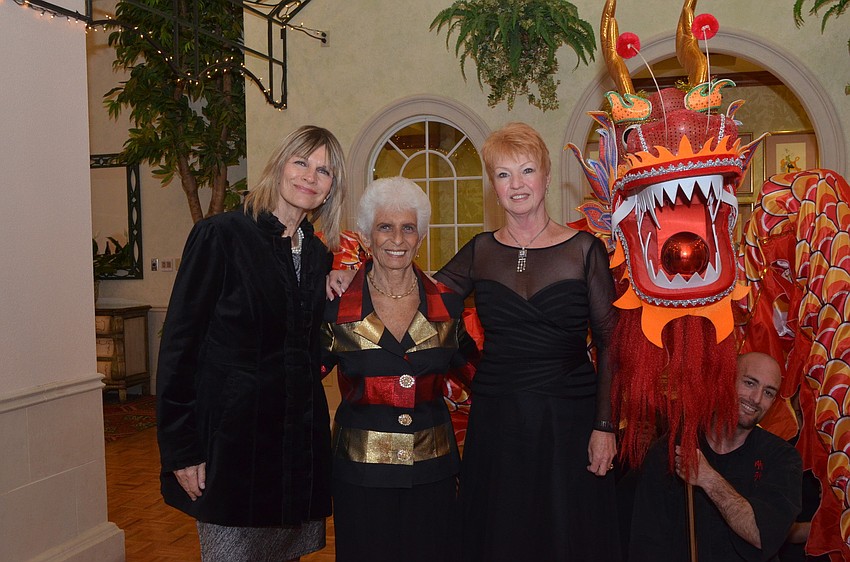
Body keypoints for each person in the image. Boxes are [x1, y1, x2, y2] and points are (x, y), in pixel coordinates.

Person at [327, 123, 619, 560]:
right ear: (493, 186)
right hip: (497, 419)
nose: (516, 185)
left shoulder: (584, 250)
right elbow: (415, 288)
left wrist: (605, 426)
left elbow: (613, 344)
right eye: (503, 175)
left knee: (567, 532)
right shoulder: (481, 251)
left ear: (545, 174)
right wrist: (353, 274)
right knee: (500, 534)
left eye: (526, 171)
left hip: (569, 418)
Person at [156, 125, 346, 561]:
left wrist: (345, 295)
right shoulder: (221, 235)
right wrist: (182, 451)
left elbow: (310, 348)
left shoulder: (317, 255)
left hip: (295, 452)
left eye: (324, 171)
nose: (310, 177)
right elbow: (179, 350)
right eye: (302, 162)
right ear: (279, 165)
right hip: (232, 448)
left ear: (331, 188)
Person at [321, 176, 478, 562]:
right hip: (359, 476)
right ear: (366, 236)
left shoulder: (448, 305)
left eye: (409, 228)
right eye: (385, 227)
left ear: (421, 237)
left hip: (434, 474)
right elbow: (295, 380)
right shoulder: (336, 306)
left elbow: (484, 378)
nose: (397, 239)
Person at [629, 352, 803, 562]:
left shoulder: (782, 458)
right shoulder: (672, 448)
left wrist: (708, 479)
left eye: (768, 392)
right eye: (749, 383)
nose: (756, 398)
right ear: (726, 381)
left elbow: (761, 535)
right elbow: (646, 541)